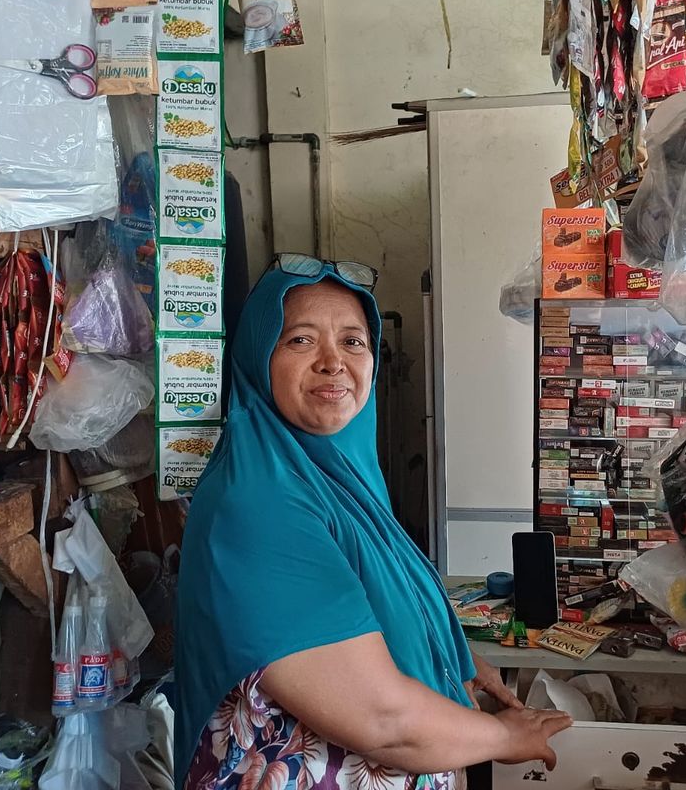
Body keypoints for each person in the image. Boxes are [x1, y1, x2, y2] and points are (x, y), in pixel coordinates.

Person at [175, 255, 572, 790]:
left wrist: (454, 657)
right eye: (300, 340)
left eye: (353, 342)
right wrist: (506, 737)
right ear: (256, 357)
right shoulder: (258, 503)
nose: (332, 362)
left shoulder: (331, 473)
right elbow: (382, 721)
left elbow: (372, 604)